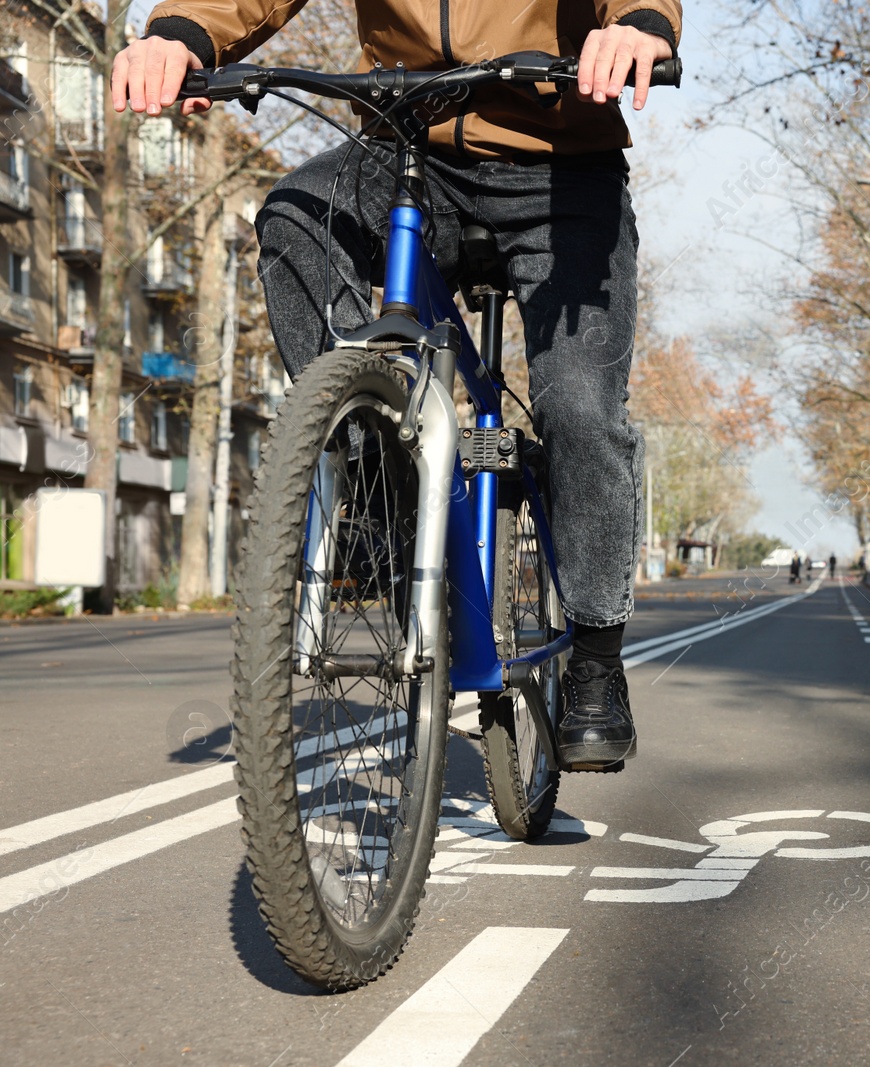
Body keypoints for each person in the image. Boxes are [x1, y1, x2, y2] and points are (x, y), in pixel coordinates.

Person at [112, 0, 681, 770]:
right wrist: (180, 36)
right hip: (405, 144)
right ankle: (380, 470)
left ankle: (595, 657)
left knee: (579, 405)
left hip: (560, 160)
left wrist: (640, 23)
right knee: (297, 219)